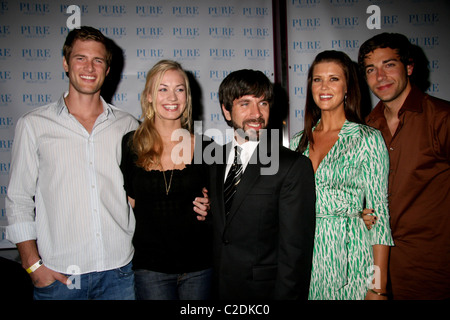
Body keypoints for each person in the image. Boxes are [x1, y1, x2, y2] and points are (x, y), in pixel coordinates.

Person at [5, 26, 139, 299]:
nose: (89, 67)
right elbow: (18, 199)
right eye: (80, 58)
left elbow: (140, 192)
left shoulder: (127, 125)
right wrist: (32, 265)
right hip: (59, 277)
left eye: (98, 60)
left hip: (120, 273)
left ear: (108, 68)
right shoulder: (33, 125)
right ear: (66, 63)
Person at [290, 50, 394, 300]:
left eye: (333, 79)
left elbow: (379, 218)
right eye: (317, 79)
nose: (324, 86)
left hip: (351, 260)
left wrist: (377, 287)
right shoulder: (296, 143)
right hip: (303, 259)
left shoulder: (366, 139)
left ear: (348, 86)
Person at [208, 69, 316, 300]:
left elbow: (295, 252)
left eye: (263, 103)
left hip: (264, 293)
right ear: (227, 111)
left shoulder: (292, 166)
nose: (256, 114)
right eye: (245, 103)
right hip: (217, 288)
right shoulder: (213, 160)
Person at [359, 32, 450, 300]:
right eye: (371, 69)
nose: (380, 77)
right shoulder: (365, 129)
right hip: (378, 269)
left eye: (389, 64)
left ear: (409, 67)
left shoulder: (442, 118)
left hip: (434, 271)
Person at [120, 60, 212, 300]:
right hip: (150, 268)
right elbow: (129, 202)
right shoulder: (132, 144)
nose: (172, 96)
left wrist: (211, 208)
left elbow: (222, 208)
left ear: (187, 96)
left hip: (199, 267)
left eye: (179, 89)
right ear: (149, 96)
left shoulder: (207, 147)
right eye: (163, 88)